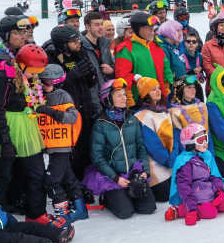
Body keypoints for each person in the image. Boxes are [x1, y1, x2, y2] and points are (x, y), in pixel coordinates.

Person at [0, 44, 54, 223]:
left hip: (26, 127)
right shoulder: (2, 78)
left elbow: (34, 101)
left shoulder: (31, 77)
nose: (36, 76)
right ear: (22, 66)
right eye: (33, 71)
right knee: (1, 176)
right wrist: (5, 142)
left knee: (36, 172)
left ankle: (35, 213)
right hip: (2, 127)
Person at [87, 79, 156, 219]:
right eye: (119, 95)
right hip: (112, 176)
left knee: (148, 208)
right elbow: (97, 157)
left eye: (124, 94)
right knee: (125, 212)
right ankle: (108, 198)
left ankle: (127, 196)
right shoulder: (100, 124)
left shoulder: (132, 119)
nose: (124, 98)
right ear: (108, 99)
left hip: (132, 172)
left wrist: (145, 172)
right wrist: (115, 177)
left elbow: (140, 147)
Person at [45, 25, 101, 178]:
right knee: (71, 154)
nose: (79, 43)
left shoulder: (80, 53)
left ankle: (85, 181)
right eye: (74, 41)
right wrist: (71, 76)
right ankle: (72, 185)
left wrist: (91, 74)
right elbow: (48, 87)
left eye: (78, 40)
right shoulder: (51, 58)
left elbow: (91, 83)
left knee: (86, 150)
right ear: (63, 44)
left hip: (85, 110)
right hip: (66, 114)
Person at [36, 65, 88, 224]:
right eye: (41, 82)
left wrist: (49, 112)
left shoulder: (63, 96)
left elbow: (72, 117)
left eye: (47, 82)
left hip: (61, 145)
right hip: (50, 145)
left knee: (51, 182)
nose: (44, 85)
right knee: (67, 177)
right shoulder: (41, 96)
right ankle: (80, 209)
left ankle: (63, 214)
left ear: (57, 82)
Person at [165, 124, 224, 226]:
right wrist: (191, 209)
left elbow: (215, 175)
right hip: (196, 194)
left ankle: (211, 202)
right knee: (211, 212)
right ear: (190, 143)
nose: (205, 143)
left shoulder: (206, 155)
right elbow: (184, 186)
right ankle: (180, 209)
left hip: (210, 190)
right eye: (200, 140)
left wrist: (219, 191)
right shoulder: (184, 162)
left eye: (205, 138)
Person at [133, 75, 178, 204]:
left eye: (158, 88)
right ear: (146, 94)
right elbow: (152, 145)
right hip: (155, 162)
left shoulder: (164, 111)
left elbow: (173, 136)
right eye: (153, 89)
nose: (158, 91)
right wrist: (167, 160)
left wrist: (173, 156)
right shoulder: (142, 116)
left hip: (169, 159)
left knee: (178, 187)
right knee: (166, 195)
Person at [114, 12, 172, 108]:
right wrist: (130, 104)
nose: (152, 30)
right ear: (137, 29)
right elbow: (124, 80)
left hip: (160, 103)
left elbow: (166, 72)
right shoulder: (125, 49)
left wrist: (167, 95)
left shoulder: (156, 46)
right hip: (139, 105)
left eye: (153, 27)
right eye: (148, 27)